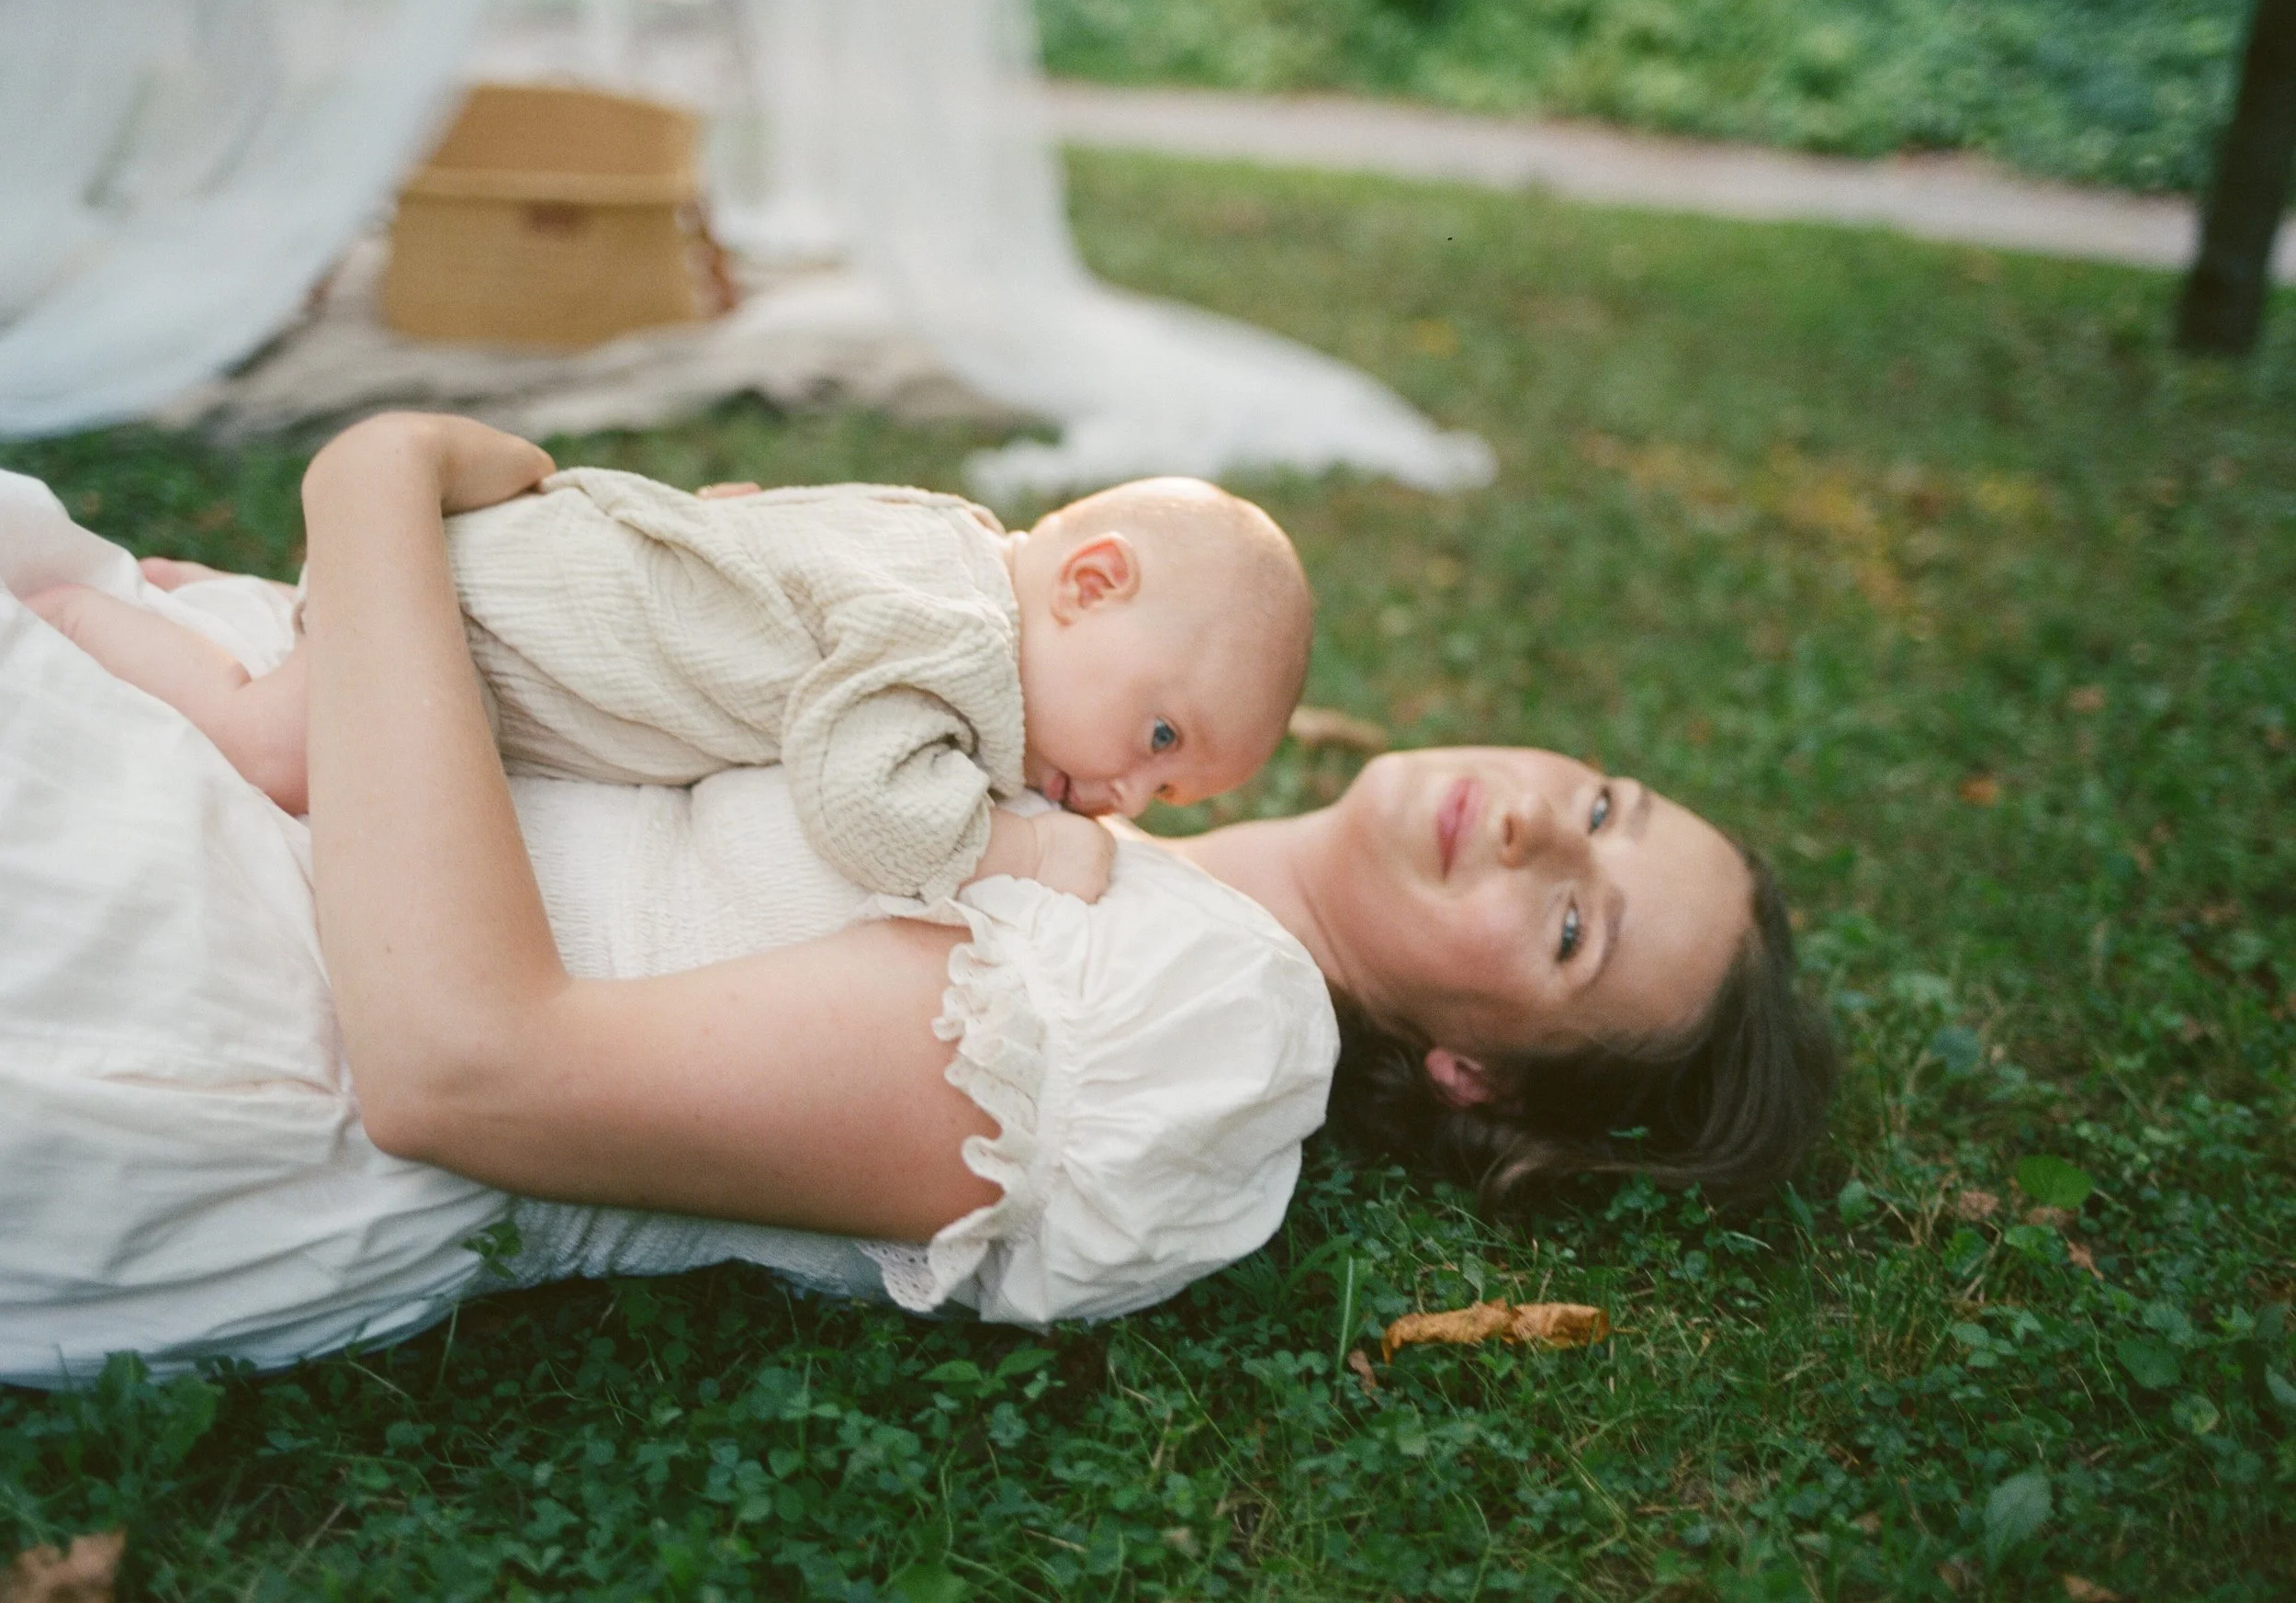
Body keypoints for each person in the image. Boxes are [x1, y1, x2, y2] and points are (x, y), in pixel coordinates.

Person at [0, 416, 1832, 1388]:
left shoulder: (1188, 1037)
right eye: (1602, 801)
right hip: (267, 751)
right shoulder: (1054, 754)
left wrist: (373, 493)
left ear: (1476, 1078)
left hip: (219, 977)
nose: (1537, 829)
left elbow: (462, 1066)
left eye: (1574, 922)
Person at [27, 445, 1313, 909]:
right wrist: (1017, 855)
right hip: (476, 626)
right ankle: (71, 611)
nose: (1125, 795)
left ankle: (241, 603)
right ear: (1088, 586)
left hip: (507, 564)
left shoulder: (950, 536)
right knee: (285, 750)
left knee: (325, 644)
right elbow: (861, 800)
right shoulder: (958, 650)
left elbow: (761, 514)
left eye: (1165, 788)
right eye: (1157, 732)